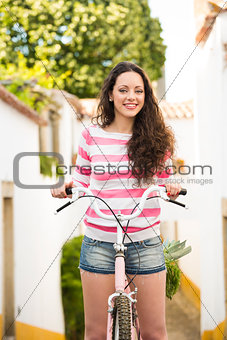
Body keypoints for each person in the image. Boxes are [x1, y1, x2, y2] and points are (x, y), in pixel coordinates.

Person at [51, 61, 181, 340]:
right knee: (96, 332)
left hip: (145, 242)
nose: (131, 97)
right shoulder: (91, 135)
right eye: (123, 90)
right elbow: (83, 180)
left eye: (138, 91)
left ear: (146, 97)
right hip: (99, 242)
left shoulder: (157, 139)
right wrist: (68, 186)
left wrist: (171, 185)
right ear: (110, 94)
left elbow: (165, 179)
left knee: (155, 332)